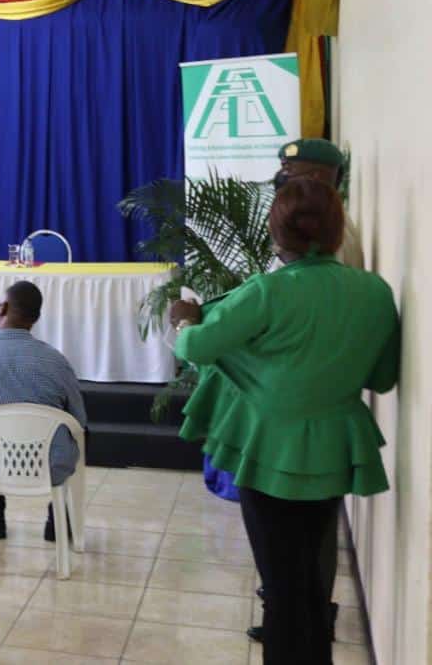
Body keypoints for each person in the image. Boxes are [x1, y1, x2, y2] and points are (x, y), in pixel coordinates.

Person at [168, 178, 400, 664]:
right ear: (338, 232)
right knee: (312, 584)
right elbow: (382, 378)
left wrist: (186, 318)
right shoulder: (376, 292)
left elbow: (196, 348)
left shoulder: (269, 292)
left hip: (271, 450)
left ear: (277, 235)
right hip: (333, 449)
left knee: (282, 590)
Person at [0, 280, 87, 542]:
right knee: (77, 434)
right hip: (50, 465)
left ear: (2, 308)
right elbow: (78, 419)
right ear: (36, 318)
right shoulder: (56, 361)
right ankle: (57, 518)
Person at [273, 137, 363, 268]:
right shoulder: (326, 219)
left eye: (288, 168)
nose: (282, 175)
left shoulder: (329, 229)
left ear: (316, 177)